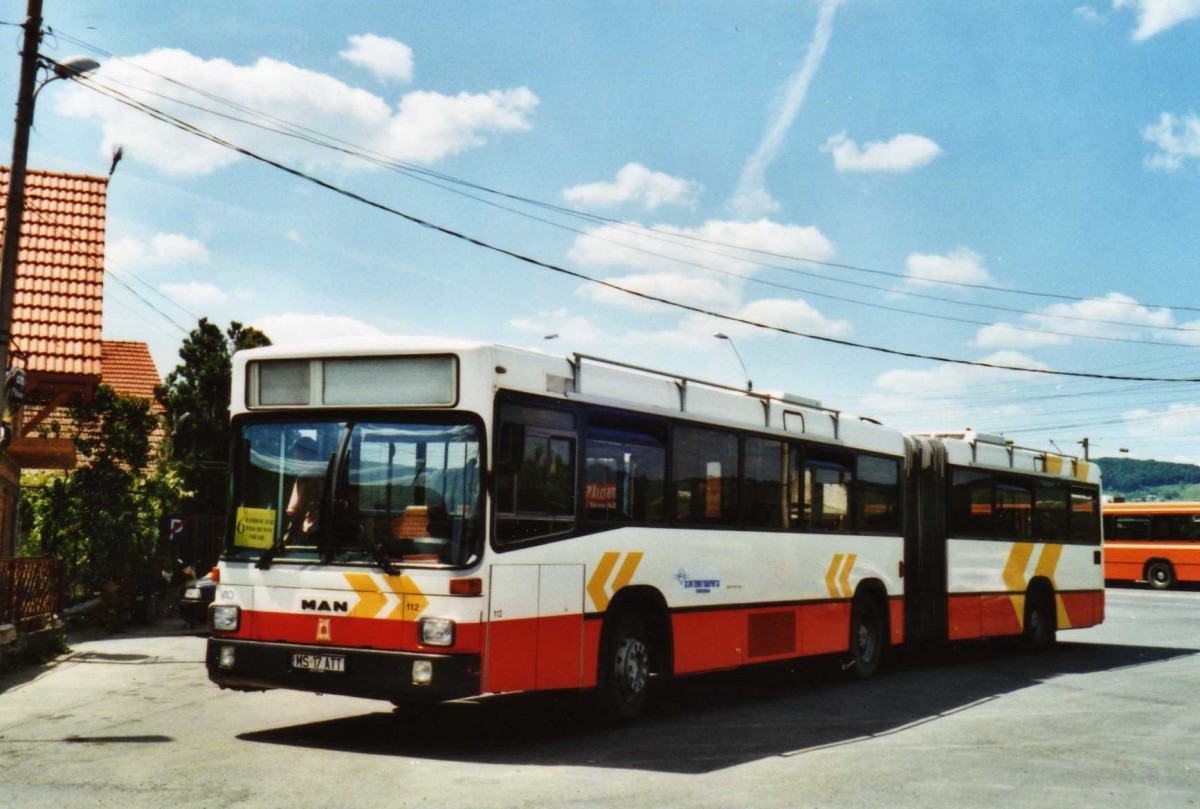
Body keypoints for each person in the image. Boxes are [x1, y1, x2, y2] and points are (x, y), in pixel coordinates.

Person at [285, 437, 324, 542]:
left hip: (310, 533)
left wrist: (286, 539)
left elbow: (293, 511)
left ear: (305, 455)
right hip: (325, 531)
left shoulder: (304, 478)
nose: (296, 458)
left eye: (297, 455)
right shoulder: (326, 473)